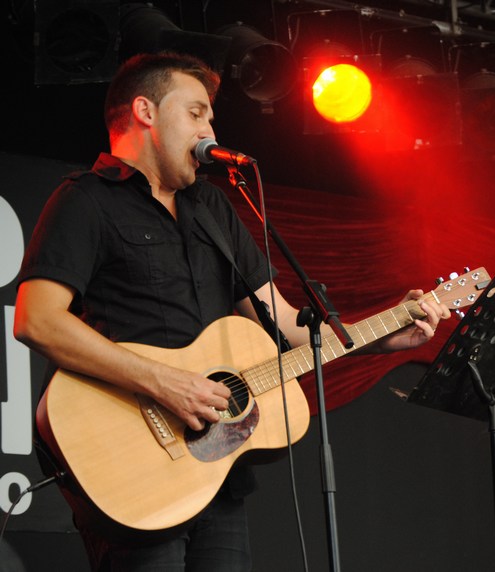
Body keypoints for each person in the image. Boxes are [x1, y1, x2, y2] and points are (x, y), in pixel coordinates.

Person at [13, 51, 449, 571]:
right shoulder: (85, 200)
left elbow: (288, 327)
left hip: (216, 470)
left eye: (211, 116)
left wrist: (385, 333)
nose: (210, 127)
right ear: (145, 111)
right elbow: (37, 319)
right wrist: (162, 382)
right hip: (131, 464)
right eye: (196, 112)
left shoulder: (211, 208)